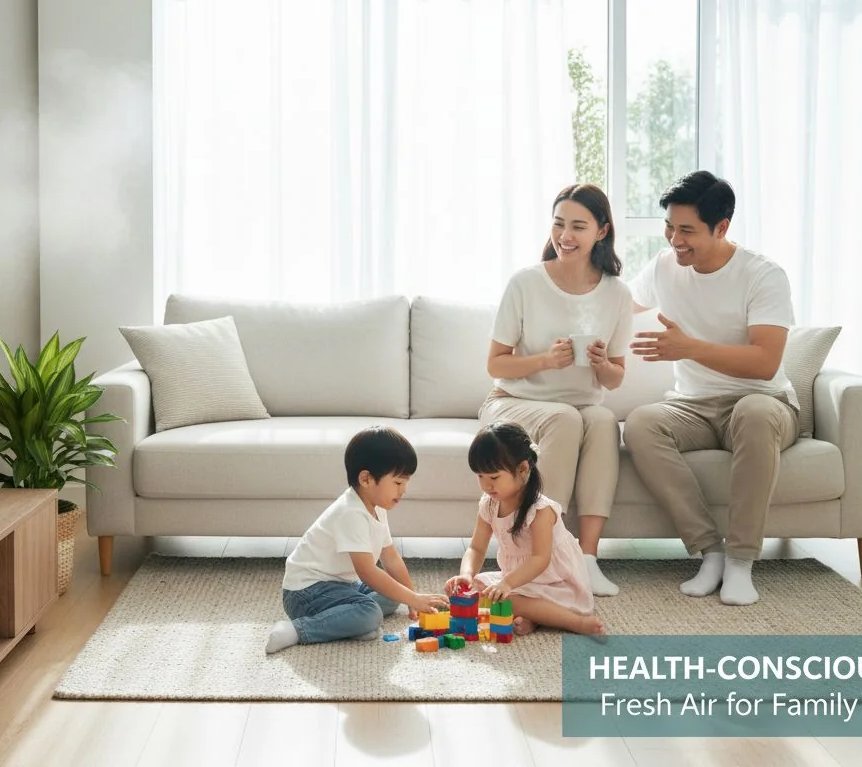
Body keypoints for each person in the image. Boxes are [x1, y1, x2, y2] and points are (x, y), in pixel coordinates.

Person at [623, 170, 799, 606]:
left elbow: (765, 362)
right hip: (693, 407)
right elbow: (617, 304)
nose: (674, 240)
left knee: (754, 414)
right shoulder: (664, 267)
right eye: (669, 227)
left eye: (687, 230)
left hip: (764, 402)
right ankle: (710, 552)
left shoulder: (762, 275)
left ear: (721, 228)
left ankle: (741, 562)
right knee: (642, 424)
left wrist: (690, 347)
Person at [480, 183, 634, 596]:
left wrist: (603, 365)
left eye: (578, 226)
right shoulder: (526, 283)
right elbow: (496, 364)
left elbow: (617, 376)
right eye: (558, 224)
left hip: (583, 406)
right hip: (514, 402)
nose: (565, 236)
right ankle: (545, 552)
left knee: (603, 421)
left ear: (601, 231)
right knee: (566, 419)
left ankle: (587, 558)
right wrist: (545, 361)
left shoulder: (617, 293)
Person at [266, 425, 449, 653]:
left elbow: (390, 557)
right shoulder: (350, 512)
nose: (404, 490)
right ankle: (296, 630)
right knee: (370, 613)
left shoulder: (376, 506)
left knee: (392, 596)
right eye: (398, 483)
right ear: (366, 479)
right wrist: (413, 597)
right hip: (305, 593)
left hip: (341, 585)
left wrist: (412, 598)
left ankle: (349, 625)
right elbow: (368, 572)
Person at [445, 421, 606, 636]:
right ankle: (534, 618)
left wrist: (507, 583)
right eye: (480, 476)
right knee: (477, 589)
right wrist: (465, 574)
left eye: (494, 477)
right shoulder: (489, 504)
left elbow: (540, 559)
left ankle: (575, 622)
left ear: (522, 469)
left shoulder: (540, 511)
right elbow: (476, 548)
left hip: (555, 580)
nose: (486, 485)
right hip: (519, 579)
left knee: (507, 598)